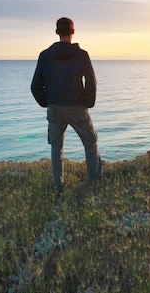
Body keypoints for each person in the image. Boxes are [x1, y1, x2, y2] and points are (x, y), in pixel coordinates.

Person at [31, 17, 102, 192]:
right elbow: (91, 82)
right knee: (90, 143)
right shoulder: (81, 55)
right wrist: (89, 102)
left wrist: (46, 102)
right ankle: (93, 182)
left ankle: (59, 186)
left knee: (56, 149)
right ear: (73, 32)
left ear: (57, 32)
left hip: (55, 108)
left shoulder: (45, 55)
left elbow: (35, 85)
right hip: (77, 107)